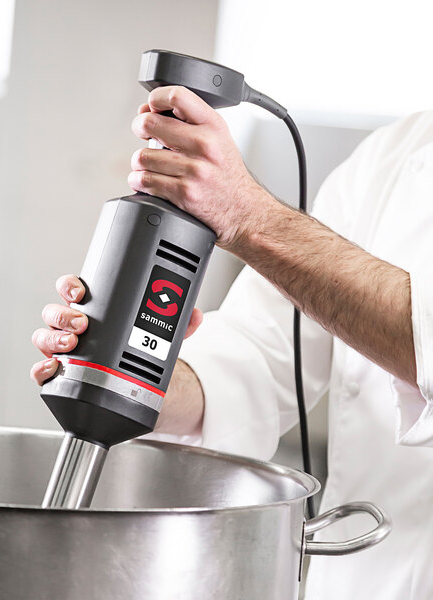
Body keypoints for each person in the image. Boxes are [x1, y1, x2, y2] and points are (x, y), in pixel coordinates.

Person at [30, 86, 433, 598]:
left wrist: (250, 216)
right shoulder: (393, 156)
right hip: (357, 579)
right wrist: (140, 375)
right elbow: (261, 353)